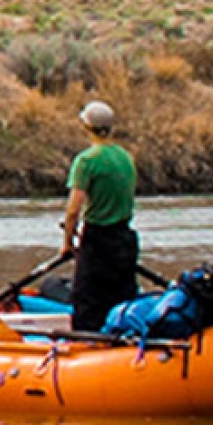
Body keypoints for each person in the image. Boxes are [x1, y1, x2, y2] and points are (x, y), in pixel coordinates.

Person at [61, 100, 139, 332]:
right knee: (121, 299)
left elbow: (73, 211)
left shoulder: (87, 160)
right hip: (124, 240)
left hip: (98, 241)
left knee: (88, 302)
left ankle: (88, 342)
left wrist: (67, 243)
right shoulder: (125, 157)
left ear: (86, 127)